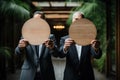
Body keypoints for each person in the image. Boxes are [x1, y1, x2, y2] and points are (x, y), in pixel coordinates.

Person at [59, 11, 102, 80]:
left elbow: (97, 56)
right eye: (76, 19)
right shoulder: (64, 39)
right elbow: (60, 55)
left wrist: (96, 48)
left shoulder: (90, 38)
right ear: (72, 21)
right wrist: (65, 47)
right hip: (70, 76)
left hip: (87, 76)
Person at [15, 11, 58, 80]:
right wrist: (20, 47)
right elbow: (17, 52)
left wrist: (52, 47)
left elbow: (56, 54)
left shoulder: (50, 37)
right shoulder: (26, 35)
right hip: (28, 73)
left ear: (44, 22)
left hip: (46, 74)